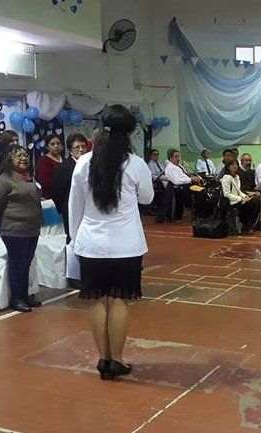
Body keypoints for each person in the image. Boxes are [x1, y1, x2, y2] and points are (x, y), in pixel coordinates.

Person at [68, 105, 154, 381]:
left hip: (91, 243)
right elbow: (147, 199)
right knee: (118, 301)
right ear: (129, 133)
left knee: (97, 301)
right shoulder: (136, 164)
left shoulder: (83, 163)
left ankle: (103, 360)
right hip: (126, 245)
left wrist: (74, 240)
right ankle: (116, 360)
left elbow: (75, 207)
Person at [0, 146, 43, 313]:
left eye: (25, 155)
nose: (23, 158)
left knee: (26, 263)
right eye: (18, 156)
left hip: (32, 229)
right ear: (9, 160)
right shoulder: (4, 180)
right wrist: (3, 220)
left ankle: (25, 295)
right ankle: (17, 298)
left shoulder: (29, 177)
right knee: (17, 264)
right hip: (13, 230)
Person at [52, 133, 88, 242]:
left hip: (87, 211)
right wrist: (63, 209)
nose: (81, 150)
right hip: (70, 210)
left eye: (83, 146)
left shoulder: (90, 164)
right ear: (70, 150)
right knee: (73, 240)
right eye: (77, 147)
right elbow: (57, 192)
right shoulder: (64, 167)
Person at [158, 149, 201, 222]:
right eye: (176, 157)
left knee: (200, 189)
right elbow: (176, 181)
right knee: (199, 194)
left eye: (179, 156)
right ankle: (198, 213)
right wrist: (191, 180)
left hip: (183, 186)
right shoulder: (170, 167)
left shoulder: (178, 166)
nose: (178, 158)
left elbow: (183, 176)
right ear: (171, 158)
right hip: (177, 188)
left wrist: (193, 178)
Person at [221, 159, 259, 235]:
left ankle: (250, 224)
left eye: (236, 164)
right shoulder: (225, 178)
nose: (235, 166)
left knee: (254, 201)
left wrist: (245, 196)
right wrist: (241, 199)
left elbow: (239, 191)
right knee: (248, 205)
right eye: (232, 165)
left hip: (238, 199)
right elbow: (227, 194)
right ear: (228, 167)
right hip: (230, 201)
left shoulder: (237, 177)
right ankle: (244, 225)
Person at [36, 135, 64, 199]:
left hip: (65, 195)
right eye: (52, 144)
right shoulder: (43, 161)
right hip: (50, 197)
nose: (56, 146)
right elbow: (45, 183)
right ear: (47, 147)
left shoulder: (64, 158)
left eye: (58, 143)